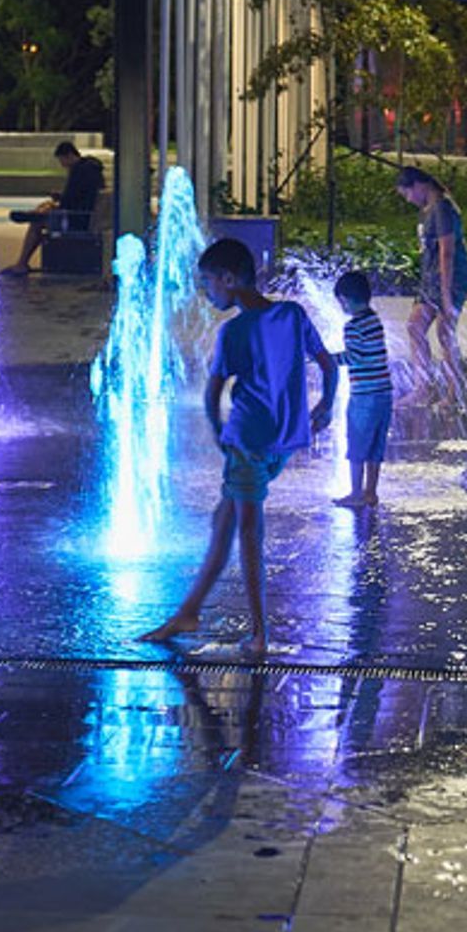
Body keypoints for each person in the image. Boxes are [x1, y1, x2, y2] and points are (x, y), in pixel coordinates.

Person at [141, 238, 335, 655]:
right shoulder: (292, 314)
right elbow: (328, 363)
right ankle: (188, 611)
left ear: (228, 279)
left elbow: (213, 394)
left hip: (247, 443)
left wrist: (215, 430)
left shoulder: (232, 331)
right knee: (223, 523)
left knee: (248, 531)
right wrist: (326, 405)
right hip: (283, 443)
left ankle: (260, 632)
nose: (207, 292)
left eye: (208, 283)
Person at [394, 165, 467, 386]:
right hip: (431, 279)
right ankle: (422, 386)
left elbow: (447, 253)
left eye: (407, 193)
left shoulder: (442, 209)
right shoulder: (427, 209)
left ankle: (452, 392)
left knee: (445, 334)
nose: (408, 199)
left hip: (450, 277)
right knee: (414, 327)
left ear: (418, 185)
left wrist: (446, 298)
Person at [330, 269, 392, 509]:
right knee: (376, 444)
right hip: (384, 393)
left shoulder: (353, 326)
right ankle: (371, 493)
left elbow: (353, 357)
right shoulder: (375, 320)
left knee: (356, 442)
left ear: (345, 299)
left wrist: (326, 360)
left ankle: (356, 491)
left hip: (364, 396)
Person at [2, 141, 105, 277]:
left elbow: (70, 201)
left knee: (37, 224)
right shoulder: (91, 168)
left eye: (61, 160)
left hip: (76, 218)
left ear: (68, 156)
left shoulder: (79, 171)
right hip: (82, 213)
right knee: (45, 209)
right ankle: (37, 214)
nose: (62, 164)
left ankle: (21, 264)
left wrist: (57, 203)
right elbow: (79, 197)